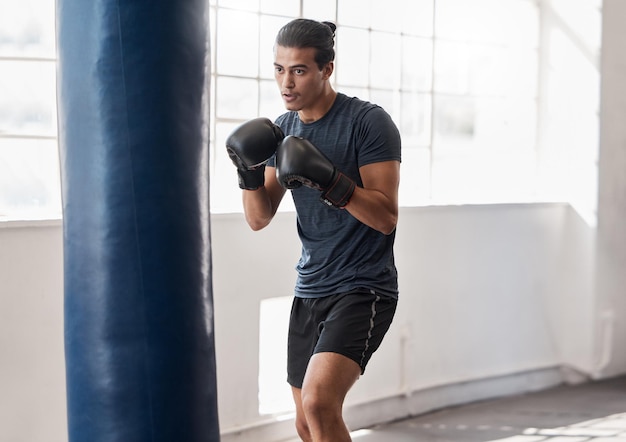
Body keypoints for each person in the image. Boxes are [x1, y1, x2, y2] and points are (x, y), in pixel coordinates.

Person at [225, 18, 401, 442]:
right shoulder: (283, 130)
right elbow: (258, 217)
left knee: (320, 402)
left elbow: (385, 216)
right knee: (307, 423)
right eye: (279, 69)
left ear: (327, 69)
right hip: (310, 287)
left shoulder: (368, 123)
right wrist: (247, 173)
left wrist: (330, 180)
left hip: (364, 286)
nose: (287, 82)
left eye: (300, 70)